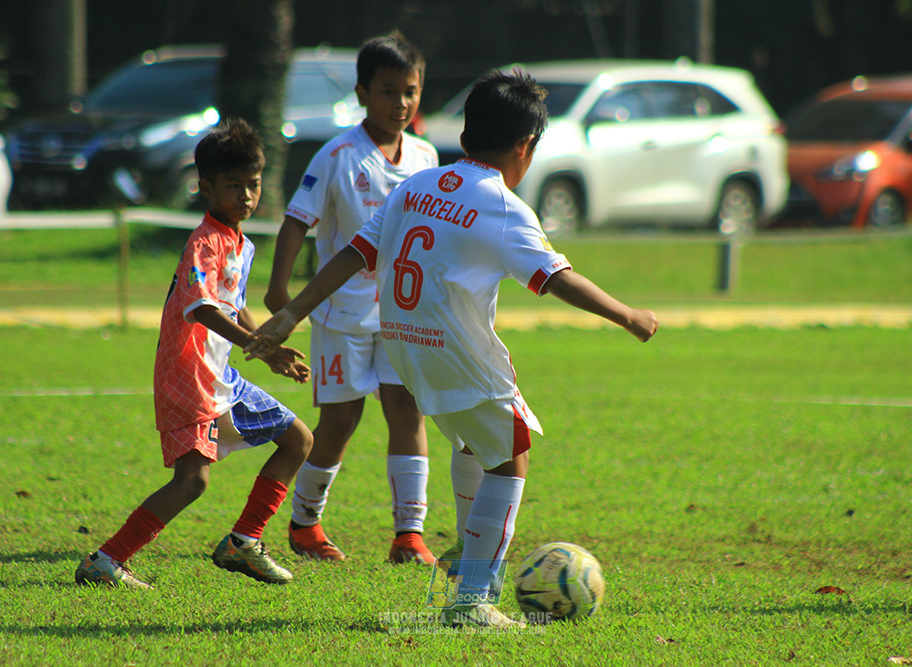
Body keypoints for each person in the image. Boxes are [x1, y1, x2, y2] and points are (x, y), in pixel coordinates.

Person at [247, 70, 658, 627]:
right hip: (456, 352)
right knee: (511, 454)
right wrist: (627, 315)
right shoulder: (502, 205)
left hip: (407, 348)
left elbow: (355, 253)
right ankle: (472, 600)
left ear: (465, 136)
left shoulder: (414, 187)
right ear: (525, 147)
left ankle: (465, 557)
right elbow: (555, 277)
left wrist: (294, 311)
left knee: (472, 445)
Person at [75, 119, 315, 589]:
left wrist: (267, 347)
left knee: (298, 440)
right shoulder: (204, 241)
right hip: (190, 377)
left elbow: (232, 303)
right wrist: (253, 343)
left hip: (220, 374)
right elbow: (202, 306)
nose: (246, 195)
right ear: (206, 187)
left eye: (253, 184)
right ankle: (105, 560)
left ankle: (244, 541)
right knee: (192, 481)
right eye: (233, 185)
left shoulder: (240, 242)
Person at [264, 30, 438, 565]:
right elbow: (297, 220)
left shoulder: (426, 156)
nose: (401, 103)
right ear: (362, 93)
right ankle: (304, 524)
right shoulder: (338, 155)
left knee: (407, 412)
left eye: (410, 91)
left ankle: (409, 536)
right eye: (388, 91)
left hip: (404, 313)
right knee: (341, 421)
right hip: (342, 313)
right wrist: (279, 291)